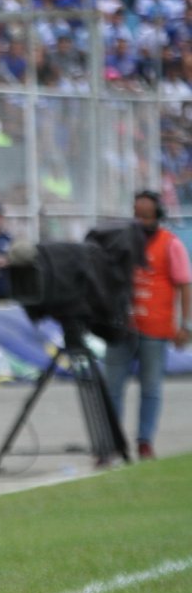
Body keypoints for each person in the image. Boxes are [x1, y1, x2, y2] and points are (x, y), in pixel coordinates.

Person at [104, 191, 192, 460]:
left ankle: (144, 442)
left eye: (146, 216)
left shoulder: (171, 244)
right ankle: (111, 444)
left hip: (155, 328)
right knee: (113, 388)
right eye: (136, 214)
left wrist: (186, 325)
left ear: (158, 217)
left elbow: (185, 285)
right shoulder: (120, 242)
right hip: (121, 327)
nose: (140, 221)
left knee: (151, 388)